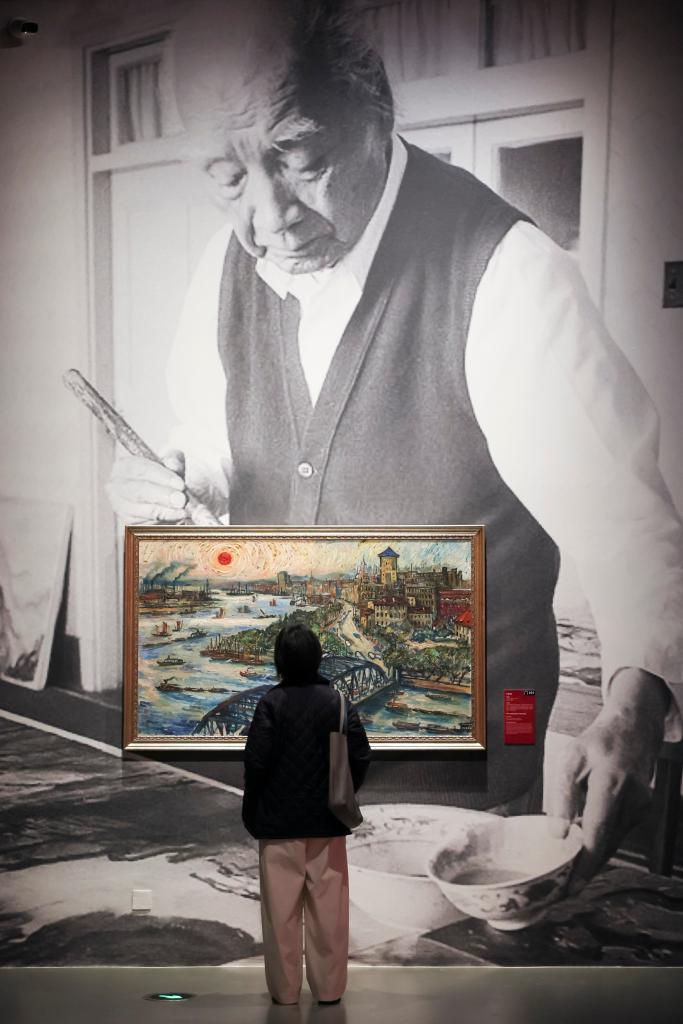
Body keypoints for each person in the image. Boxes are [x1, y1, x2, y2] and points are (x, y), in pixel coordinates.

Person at [107, 0, 683, 886]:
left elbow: (624, 525)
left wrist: (634, 707)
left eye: (301, 160)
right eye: (227, 177)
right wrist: (183, 479)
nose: (269, 216)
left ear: (373, 108)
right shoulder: (223, 268)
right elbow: (216, 443)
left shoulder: (505, 271)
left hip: (465, 790)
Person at [242, 622, 371, 1006]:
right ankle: (329, 990)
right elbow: (360, 756)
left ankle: (284, 993)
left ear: (280, 660)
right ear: (318, 657)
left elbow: (256, 763)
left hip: (278, 825)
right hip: (327, 823)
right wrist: (341, 793)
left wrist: (255, 808)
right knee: (329, 912)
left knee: (280, 915)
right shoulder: (338, 702)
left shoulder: (270, 703)